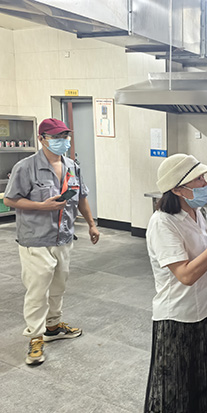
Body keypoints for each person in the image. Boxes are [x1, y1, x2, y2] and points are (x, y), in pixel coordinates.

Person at [144, 153, 207, 413]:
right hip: (177, 316)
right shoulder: (162, 223)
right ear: (177, 189)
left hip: (203, 309)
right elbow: (185, 275)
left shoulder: (197, 213)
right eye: (198, 179)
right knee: (174, 391)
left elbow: (202, 256)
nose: (205, 183)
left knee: (200, 382)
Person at [4, 118, 100, 366]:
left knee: (58, 285)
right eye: (56, 137)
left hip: (63, 237)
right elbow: (9, 199)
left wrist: (91, 224)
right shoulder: (26, 167)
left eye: (65, 136)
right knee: (38, 290)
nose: (63, 141)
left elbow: (81, 197)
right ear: (42, 139)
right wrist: (40, 206)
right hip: (35, 239)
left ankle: (53, 327)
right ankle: (35, 337)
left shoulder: (72, 167)